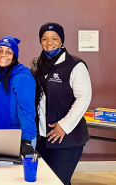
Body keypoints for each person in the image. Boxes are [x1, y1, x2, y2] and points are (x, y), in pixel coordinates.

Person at [30, 22, 92, 185]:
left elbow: (84, 97)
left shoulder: (75, 65)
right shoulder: (36, 64)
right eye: (44, 39)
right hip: (42, 138)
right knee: (42, 181)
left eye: (54, 38)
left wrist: (63, 126)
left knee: (58, 182)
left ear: (62, 41)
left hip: (67, 139)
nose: (49, 43)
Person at [0, 36, 37, 156]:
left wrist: (26, 141)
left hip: (18, 140)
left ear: (14, 57)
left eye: (8, 52)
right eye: (0, 50)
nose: (3, 55)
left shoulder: (22, 77)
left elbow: (27, 111)